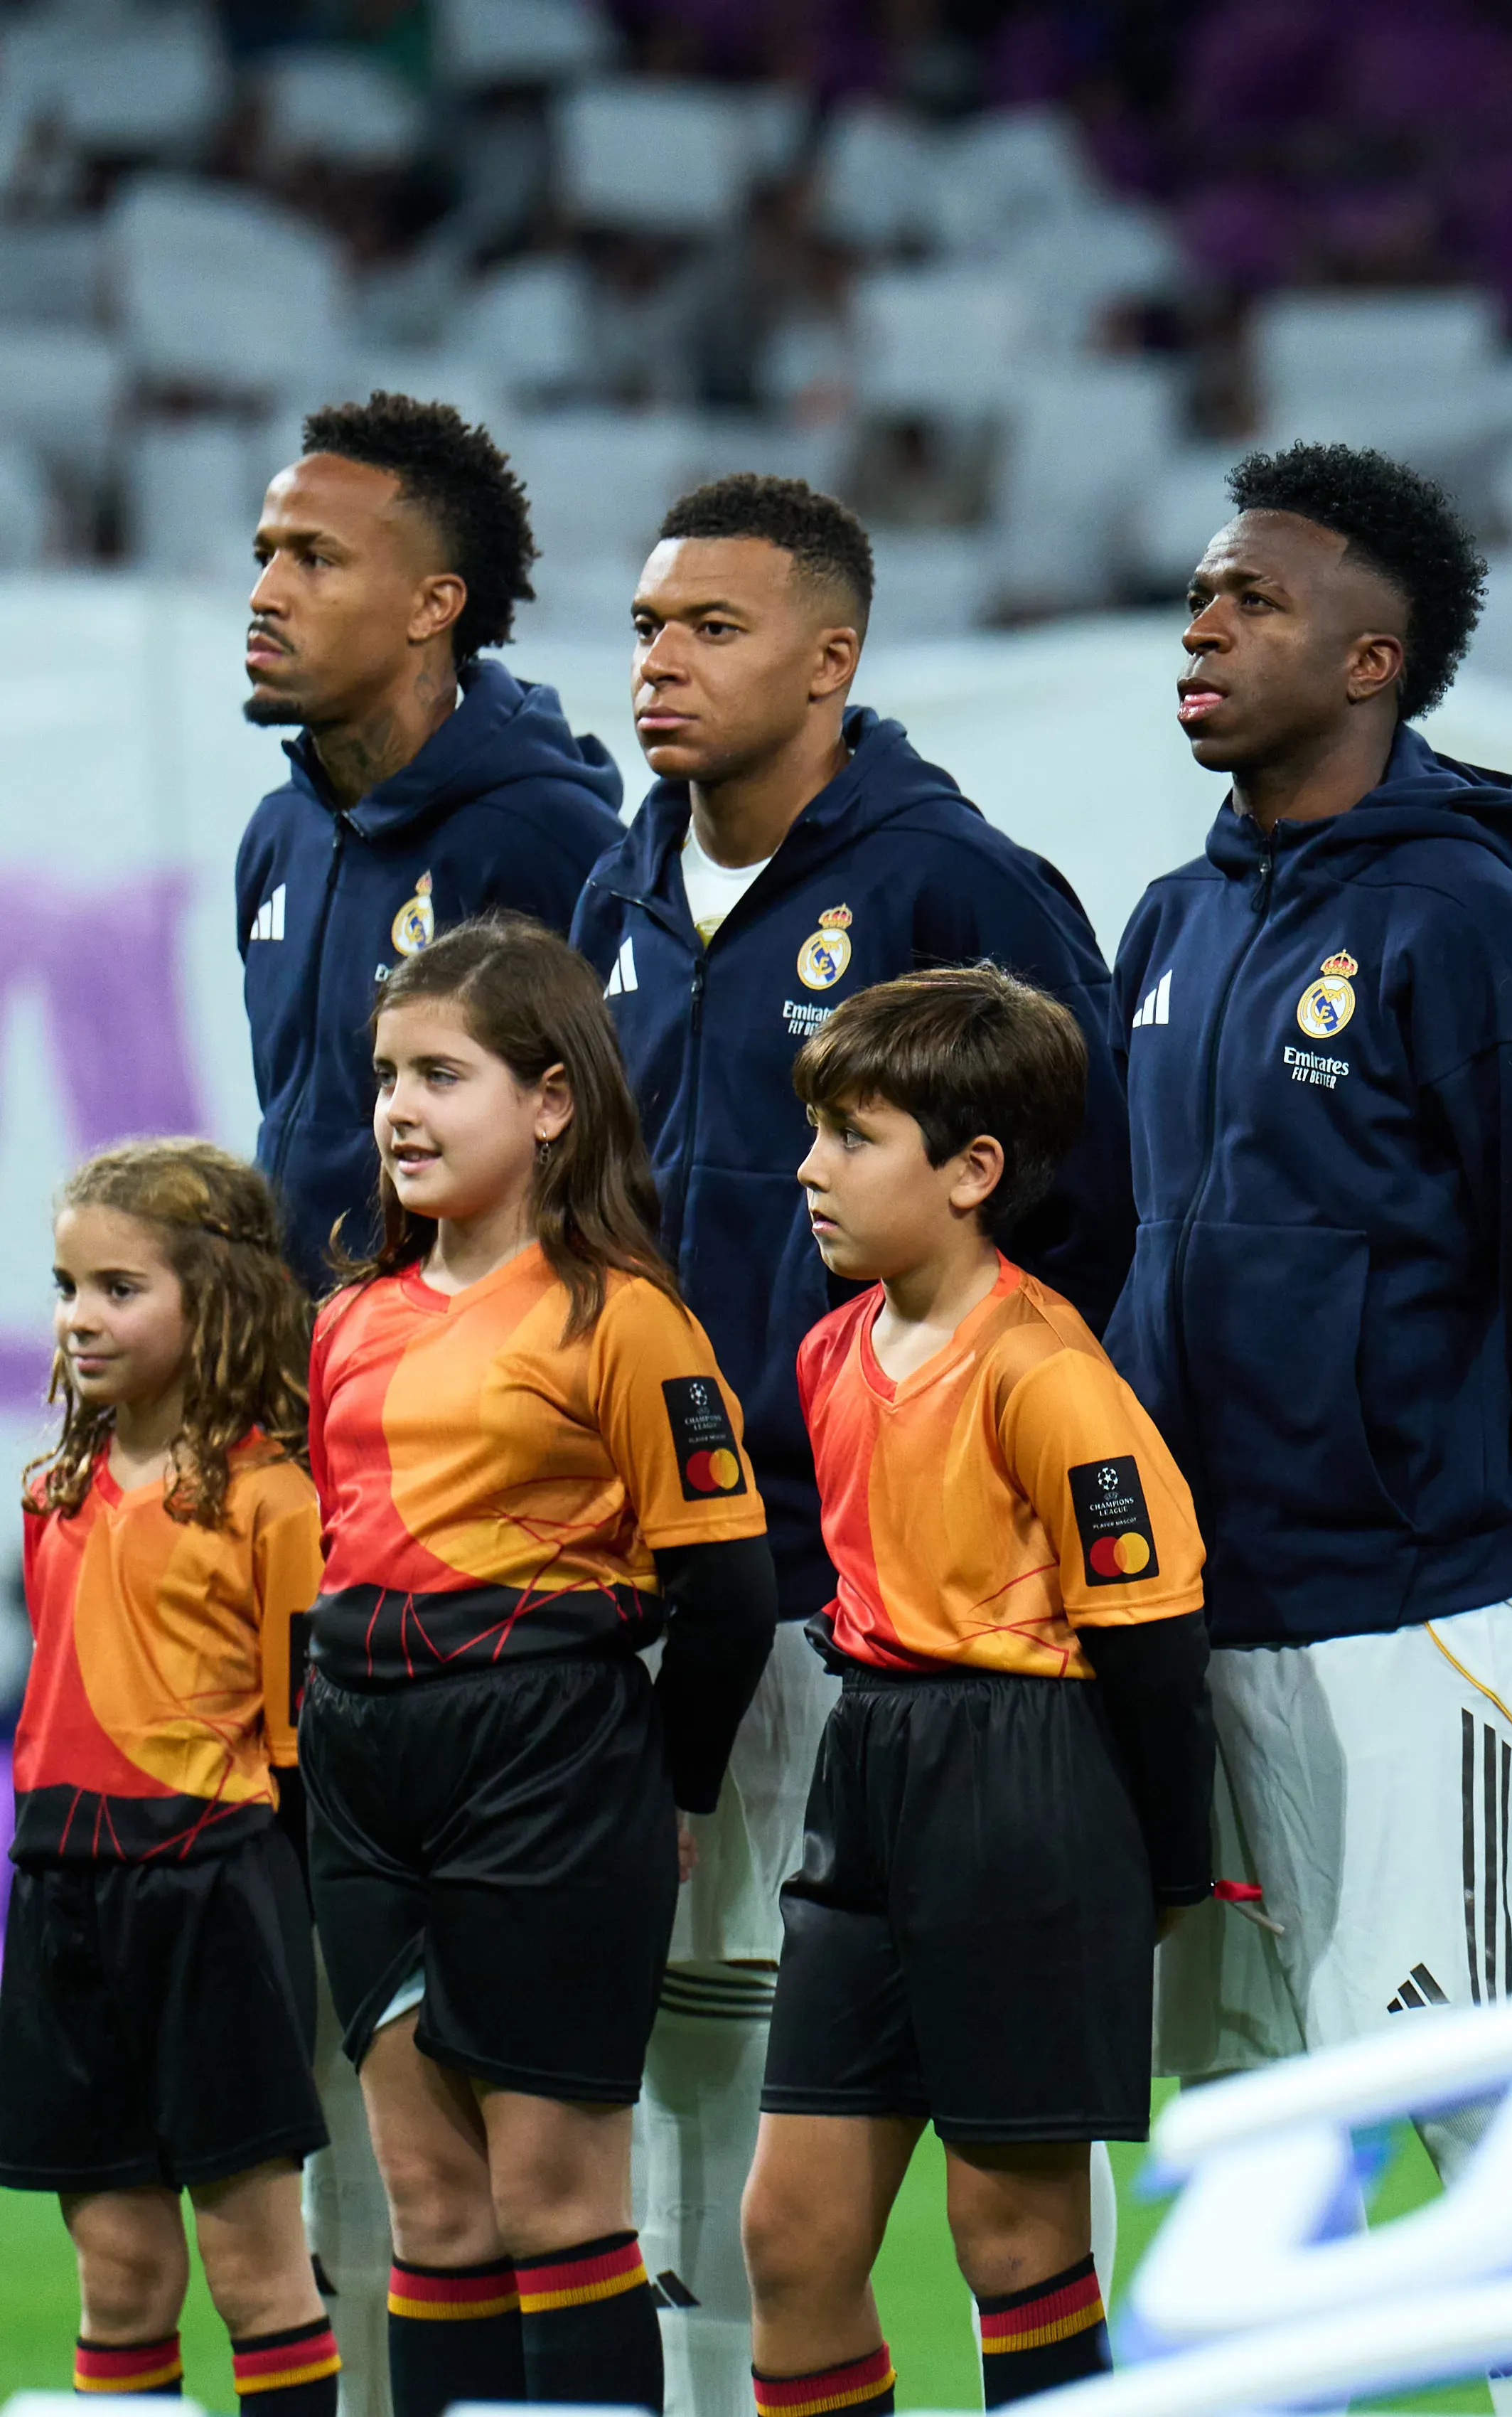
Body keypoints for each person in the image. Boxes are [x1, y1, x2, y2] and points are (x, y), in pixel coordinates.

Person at [568, 474, 1133, 2417]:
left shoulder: (952, 882)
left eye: (712, 628)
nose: (661, 661)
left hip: (899, 1611)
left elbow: (1089, 1213)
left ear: (833, 657)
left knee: (1004, 2138)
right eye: (648, 626)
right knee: (696, 2091)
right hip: (670, 1579)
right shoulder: (620, 886)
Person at [1108, 443, 1512, 2417]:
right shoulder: (1170, 919)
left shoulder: (1472, 927)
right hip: (1198, 1621)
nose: (1206, 623)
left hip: (1422, 1618)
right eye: (1202, 593)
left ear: (1373, 660)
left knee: (1491, 2128)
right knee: (1251, 2136)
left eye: (1258, 599)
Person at [298, 914, 779, 2417]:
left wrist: (672, 1786)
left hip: (548, 1761)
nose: (399, 1108)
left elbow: (729, 1588)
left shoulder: (624, 1317)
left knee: (556, 2198)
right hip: (362, 1765)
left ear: (553, 1099)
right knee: (432, 2203)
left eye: (442, 1075)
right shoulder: (347, 1318)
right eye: (388, 1074)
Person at [741, 968, 1211, 2417]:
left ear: (972, 1172)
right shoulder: (829, 1351)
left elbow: (1152, 1634)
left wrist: (1163, 1866)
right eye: (814, 1130)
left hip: (1023, 1779)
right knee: (790, 2236)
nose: (810, 1167)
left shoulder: (1044, 1370)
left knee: (1011, 2237)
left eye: (852, 1136)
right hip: (869, 1771)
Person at [4, 1143, 337, 2416]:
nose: (81, 1317)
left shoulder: (273, 1498)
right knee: (121, 2274)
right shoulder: (52, 1488)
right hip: (63, 1893)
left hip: (212, 1888)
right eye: (67, 1287)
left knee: (255, 2269)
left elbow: (298, 1741)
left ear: (220, 1298)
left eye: (120, 1287)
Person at [238, 393, 623, 1283]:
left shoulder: (550, 839)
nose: (264, 596)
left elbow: (611, 1141)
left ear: (432, 606)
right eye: (265, 558)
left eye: (315, 560)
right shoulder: (278, 833)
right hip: (302, 1342)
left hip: (471, 1348)